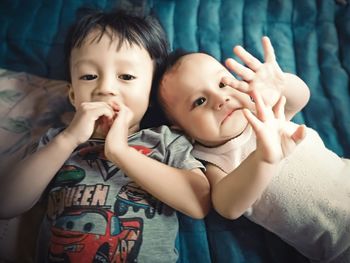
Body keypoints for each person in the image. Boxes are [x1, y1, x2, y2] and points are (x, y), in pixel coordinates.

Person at [0, 9, 210, 263]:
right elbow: (7, 204)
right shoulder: (58, 143)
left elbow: (199, 203)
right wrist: (69, 139)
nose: (106, 88)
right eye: (89, 76)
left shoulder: (165, 140)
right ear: (73, 95)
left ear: (151, 94)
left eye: (126, 77)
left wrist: (121, 153)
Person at [156, 36, 350, 263]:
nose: (220, 99)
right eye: (199, 101)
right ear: (180, 129)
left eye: (222, 84)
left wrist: (280, 85)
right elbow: (228, 206)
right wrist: (263, 159)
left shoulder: (263, 109)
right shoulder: (214, 161)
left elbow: (300, 97)